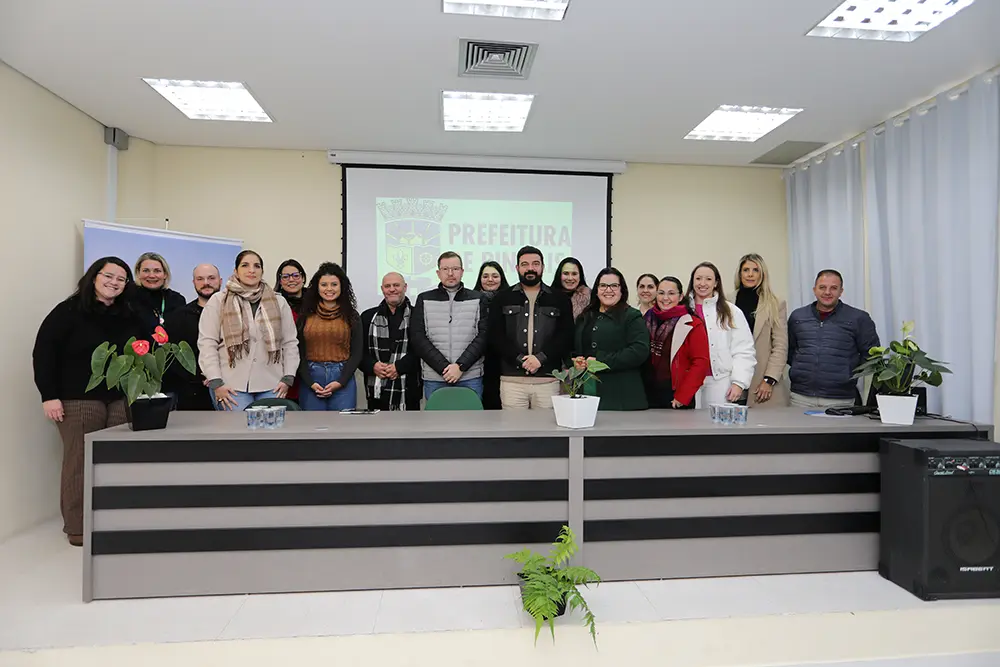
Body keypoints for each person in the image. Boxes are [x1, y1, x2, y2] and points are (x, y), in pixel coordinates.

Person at [32, 257, 140, 546]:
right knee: (79, 462)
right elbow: (44, 354)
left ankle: (112, 519)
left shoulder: (129, 314)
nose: (114, 282)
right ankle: (77, 526)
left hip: (119, 399)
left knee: (117, 461)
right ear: (94, 277)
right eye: (108, 276)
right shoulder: (67, 311)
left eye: (121, 279)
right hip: (77, 399)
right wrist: (49, 396)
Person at [198, 250, 299, 411]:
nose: (251, 270)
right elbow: (207, 343)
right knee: (238, 427)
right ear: (235, 270)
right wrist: (216, 381)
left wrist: (288, 378)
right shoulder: (218, 300)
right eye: (245, 265)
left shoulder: (278, 301)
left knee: (270, 428)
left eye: (257, 266)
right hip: (230, 385)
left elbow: (290, 343)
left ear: (262, 271)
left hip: (272, 384)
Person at [489, 246, 574, 410]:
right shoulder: (502, 298)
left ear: (543, 267)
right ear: (517, 268)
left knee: (546, 426)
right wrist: (520, 359)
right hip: (512, 380)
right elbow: (496, 336)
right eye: (525, 264)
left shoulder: (559, 299)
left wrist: (540, 358)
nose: (530, 268)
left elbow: (565, 335)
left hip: (548, 379)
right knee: (513, 426)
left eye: (535, 264)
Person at [787, 269, 880, 409]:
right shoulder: (798, 317)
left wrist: (848, 373)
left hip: (841, 399)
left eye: (833, 288)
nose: (827, 292)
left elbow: (872, 355)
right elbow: (789, 351)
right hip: (800, 397)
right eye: (822, 287)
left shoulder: (858, 318)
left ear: (841, 291)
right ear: (814, 290)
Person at [410, 251, 489, 400]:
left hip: (470, 376)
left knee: (472, 415)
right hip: (435, 377)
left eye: (455, 269)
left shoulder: (478, 299)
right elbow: (418, 337)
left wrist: (460, 367)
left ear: (462, 271)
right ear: (438, 273)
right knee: (437, 416)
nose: (450, 273)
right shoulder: (424, 299)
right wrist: (444, 368)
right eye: (445, 269)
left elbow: (483, 337)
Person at [573, 267, 650, 411]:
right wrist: (576, 360)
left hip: (621, 395)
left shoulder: (631, 316)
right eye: (603, 285)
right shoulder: (585, 316)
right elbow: (575, 348)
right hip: (587, 390)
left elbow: (639, 351)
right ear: (596, 290)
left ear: (622, 290)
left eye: (614, 285)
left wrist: (601, 361)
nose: (608, 290)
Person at [684, 261, 756, 408]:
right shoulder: (682, 309)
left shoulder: (731, 311)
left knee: (716, 422)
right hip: (687, 380)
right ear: (692, 282)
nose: (702, 283)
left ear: (716, 283)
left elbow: (744, 349)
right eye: (698, 279)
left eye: (708, 279)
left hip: (719, 381)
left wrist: (738, 383)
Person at [296, 262, 362, 411]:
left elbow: (357, 353)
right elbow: (299, 351)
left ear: (342, 287)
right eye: (324, 285)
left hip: (342, 378)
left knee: (343, 424)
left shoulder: (352, 316)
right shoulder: (305, 315)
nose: (329, 289)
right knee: (312, 424)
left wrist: (341, 382)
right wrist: (310, 382)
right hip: (311, 380)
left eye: (334, 284)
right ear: (317, 287)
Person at [643, 276, 710, 409]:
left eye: (671, 293)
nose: (665, 298)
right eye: (661, 293)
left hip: (676, 396)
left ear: (680, 297)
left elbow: (700, 362)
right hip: (647, 393)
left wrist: (683, 396)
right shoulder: (647, 318)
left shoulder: (692, 323)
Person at [162, 263, 222, 411]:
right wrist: (202, 376)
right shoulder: (179, 316)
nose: (206, 283)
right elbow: (173, 356)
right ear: (193, 282)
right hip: (192, 392)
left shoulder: (235, 313)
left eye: (211, 278)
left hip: (229, 387)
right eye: (200, 279)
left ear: (220, 281)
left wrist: (216, 375)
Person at [733, 253, 790, 408]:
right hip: (732, 379)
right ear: (740, 274)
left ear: (762, 274)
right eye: (746, 270)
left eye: (755, 270)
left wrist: (769, 379)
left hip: (761, 380)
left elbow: (780, 346)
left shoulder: (775, 303)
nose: (750, 274)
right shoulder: (727, 301)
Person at [361, 272, 421, 411]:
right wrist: (373, 366)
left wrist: (399, 367)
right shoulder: (367, 317)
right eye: (387, 286)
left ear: (405, 287)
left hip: (409, 390)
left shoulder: (418, 315)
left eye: (396, 285)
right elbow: (359, 352)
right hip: (376, 392)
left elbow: (422, 350)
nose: (392, 289)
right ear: (382, 289)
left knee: (410, 425)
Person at [473, 260, 510, 410]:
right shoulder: (472, 300)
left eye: (495, 276)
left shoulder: (510, 300)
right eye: (485, 276)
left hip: (504, 360)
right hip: (476, 359)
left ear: (501, 278)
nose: (490, 280)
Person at [133, 252, 186, 337]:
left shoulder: (177, 300)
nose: (152, 275)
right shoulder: (128, 298)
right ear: (138, 273)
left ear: (165, 274)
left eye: (157, 271)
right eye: (146, 271)